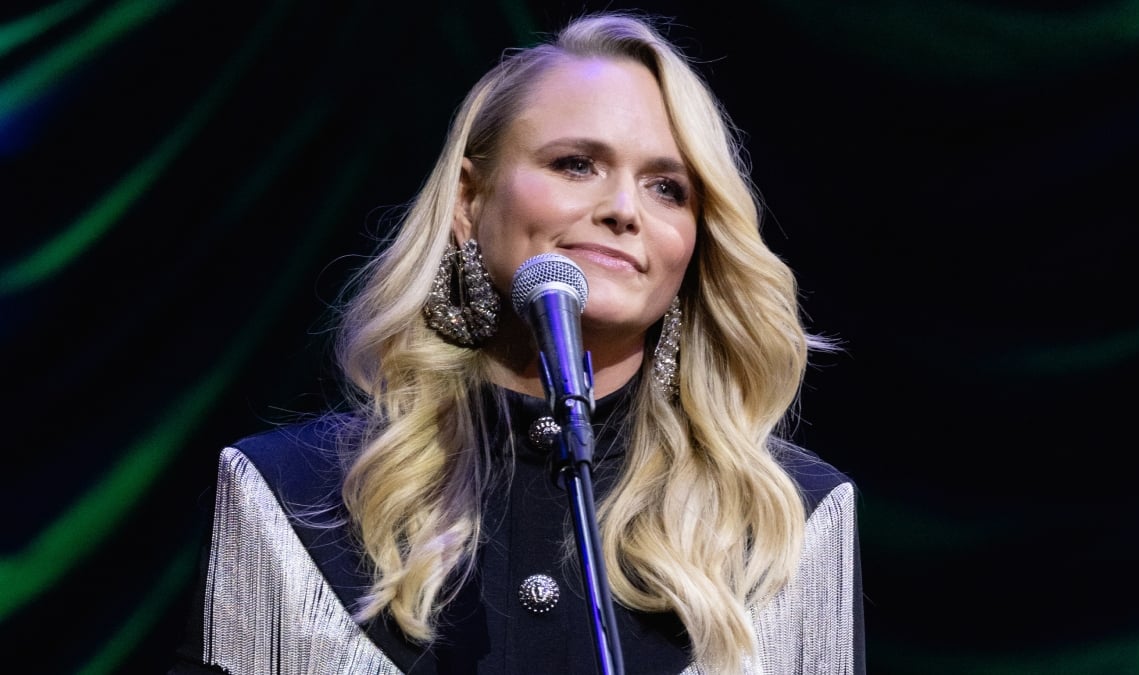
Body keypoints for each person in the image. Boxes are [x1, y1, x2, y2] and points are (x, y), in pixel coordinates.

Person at [169, 9, 864, 675]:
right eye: (575, 164)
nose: (623, 209)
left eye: (668, 188)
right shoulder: (294, 495)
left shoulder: (784, 525)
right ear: (470, 202)